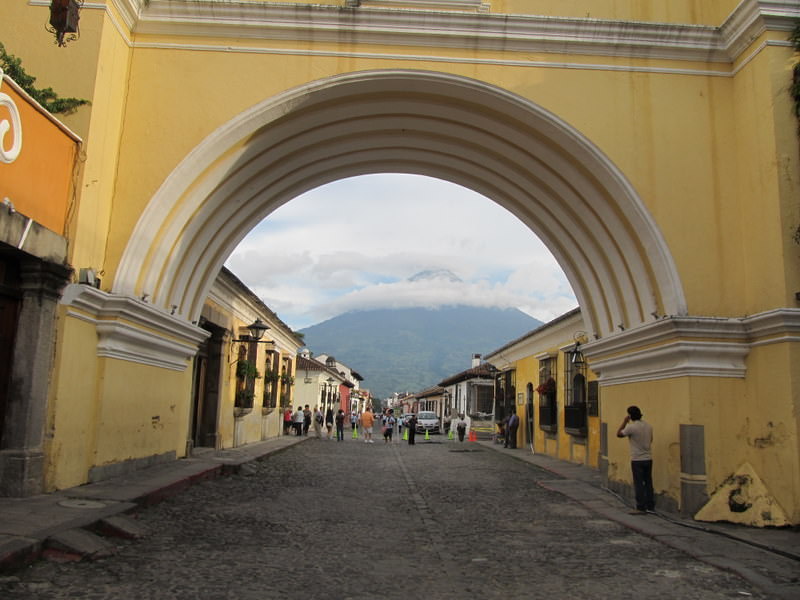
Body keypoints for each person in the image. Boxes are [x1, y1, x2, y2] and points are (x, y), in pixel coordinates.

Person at [616, 405, 655, 514]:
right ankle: (650, 505)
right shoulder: (649, 426)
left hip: (637, 459)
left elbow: (619, 434)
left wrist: (624, 422)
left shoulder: (631, 427)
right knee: (648, 482)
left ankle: (640, 507)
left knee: (638, 483)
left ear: (630, 416)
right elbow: (651, 439)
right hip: (648, 458)